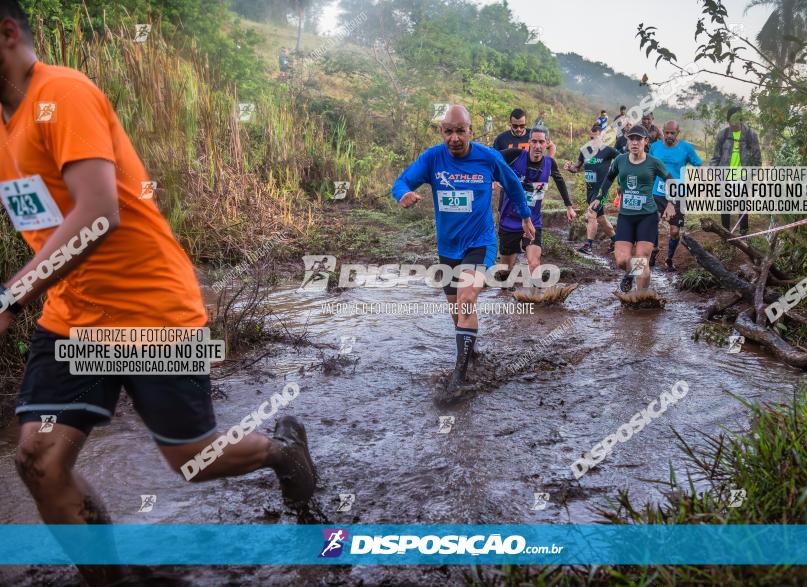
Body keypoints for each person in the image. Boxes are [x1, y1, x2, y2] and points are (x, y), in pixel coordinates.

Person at [0, 4, 316, 582]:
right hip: (72, 316)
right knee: (38, 461)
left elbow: (99, 214)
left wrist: (10, 299)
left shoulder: (62, 95)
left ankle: (281, 449)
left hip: (153, 311)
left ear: (7, 33)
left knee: (192, 461)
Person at [392, 105, 535, 403]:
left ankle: (459, 374)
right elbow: (402, 181)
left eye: (460, 131)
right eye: (449, 131)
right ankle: (470, 350)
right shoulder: (433, 158)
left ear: (471, 131)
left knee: (466, 298)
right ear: (442, 132)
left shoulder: (488, 157)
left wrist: (525, 217)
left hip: (480, 242)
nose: (454, 138)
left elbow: (513, 185)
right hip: (448, 248)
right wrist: (402, 194)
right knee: (456, 310)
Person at [593, 125, 674, 293]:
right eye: (632, 139)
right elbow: (608, 179)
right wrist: (599, 199)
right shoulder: (620, 160)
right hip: (626, 217)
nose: (635, 142)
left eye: (639, 139)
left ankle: (641, 297)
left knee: (642, 259)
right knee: (621, 260)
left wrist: (671, 203)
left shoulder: (653, 162)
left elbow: (670, 180)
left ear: (646, 141)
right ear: (628, 141)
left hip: (647, 216)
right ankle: (630, 273)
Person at [498, 126, 575, 277]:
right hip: (510, 219)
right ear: (529, 142)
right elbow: (491, 157)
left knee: (534, 263)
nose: (537, 146)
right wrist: (493, 178)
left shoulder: (549, 163)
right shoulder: (514, 155)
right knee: (505, 271)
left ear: (547, 143)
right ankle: (505, 290)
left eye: (541, 142)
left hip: (533, 220)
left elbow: (559, 181)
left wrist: (569, 206)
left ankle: (536, 297)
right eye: (534, 141)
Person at [649, 120, 702, 271]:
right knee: (652, 222)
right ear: (663, 132)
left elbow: (698, 164)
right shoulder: (655, 147)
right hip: (657, 192)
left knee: (674, 231)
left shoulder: (686, 148)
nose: (669, 136)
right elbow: (648, 166)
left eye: (673, 133)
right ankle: (653, 249)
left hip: (677, 194)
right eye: (666, 132)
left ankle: (669, 259)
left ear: (678, 133)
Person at [564, 124, 618, 254]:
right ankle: (617, 241)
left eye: (596, 138)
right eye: (591, 138)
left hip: (601, 191)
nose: (593, 140)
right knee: (601, 219)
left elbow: (623, 160)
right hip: (590, 190)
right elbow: (577, 167)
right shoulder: (585, 151)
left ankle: (588, 246)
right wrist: (569, 167)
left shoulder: (609, 151)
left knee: (591, 214)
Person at [710, 106, 761, 235]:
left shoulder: (750, 135)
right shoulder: (723, 134)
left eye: (736, 120)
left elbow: (757, 159)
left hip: (742, 177)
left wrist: (751, 175)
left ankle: (744, 235)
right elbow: (716, 156)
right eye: (730, 121)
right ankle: (725, 235)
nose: (733, 124)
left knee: (743, 206)